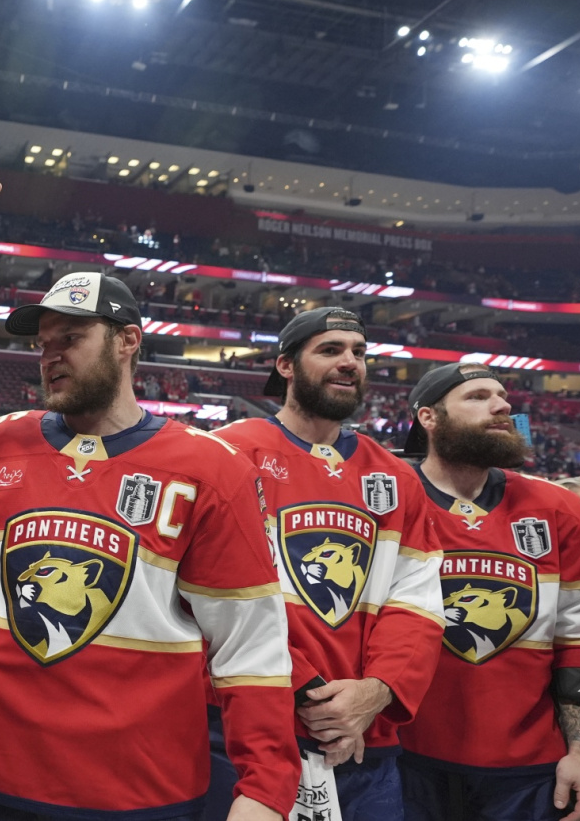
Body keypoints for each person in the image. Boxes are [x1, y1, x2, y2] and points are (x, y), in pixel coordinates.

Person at [0, 272, 300, 820]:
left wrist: (265, 788)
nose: (51, 355)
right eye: (43, 344)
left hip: (137, 796)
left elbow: (251, 647)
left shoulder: (214, 471)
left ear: (127, 340)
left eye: (70, 338)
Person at [210, 307, 444, 821]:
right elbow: (209, 595)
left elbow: (417, 603)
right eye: (330, 350)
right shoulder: (227, 452)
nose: (350, 362)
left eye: (359, 353)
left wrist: (376, 691)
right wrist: (310, 690)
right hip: (247, 722)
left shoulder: (396, 477)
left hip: (362, 734)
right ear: (286, 366)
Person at [396, 363, 580, 821]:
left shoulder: (557, 507)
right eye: (477, 397)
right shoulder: (388, 499)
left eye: (502, 397)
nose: (501, 406)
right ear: (428, 417)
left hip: (527, 767)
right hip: (401, 755)